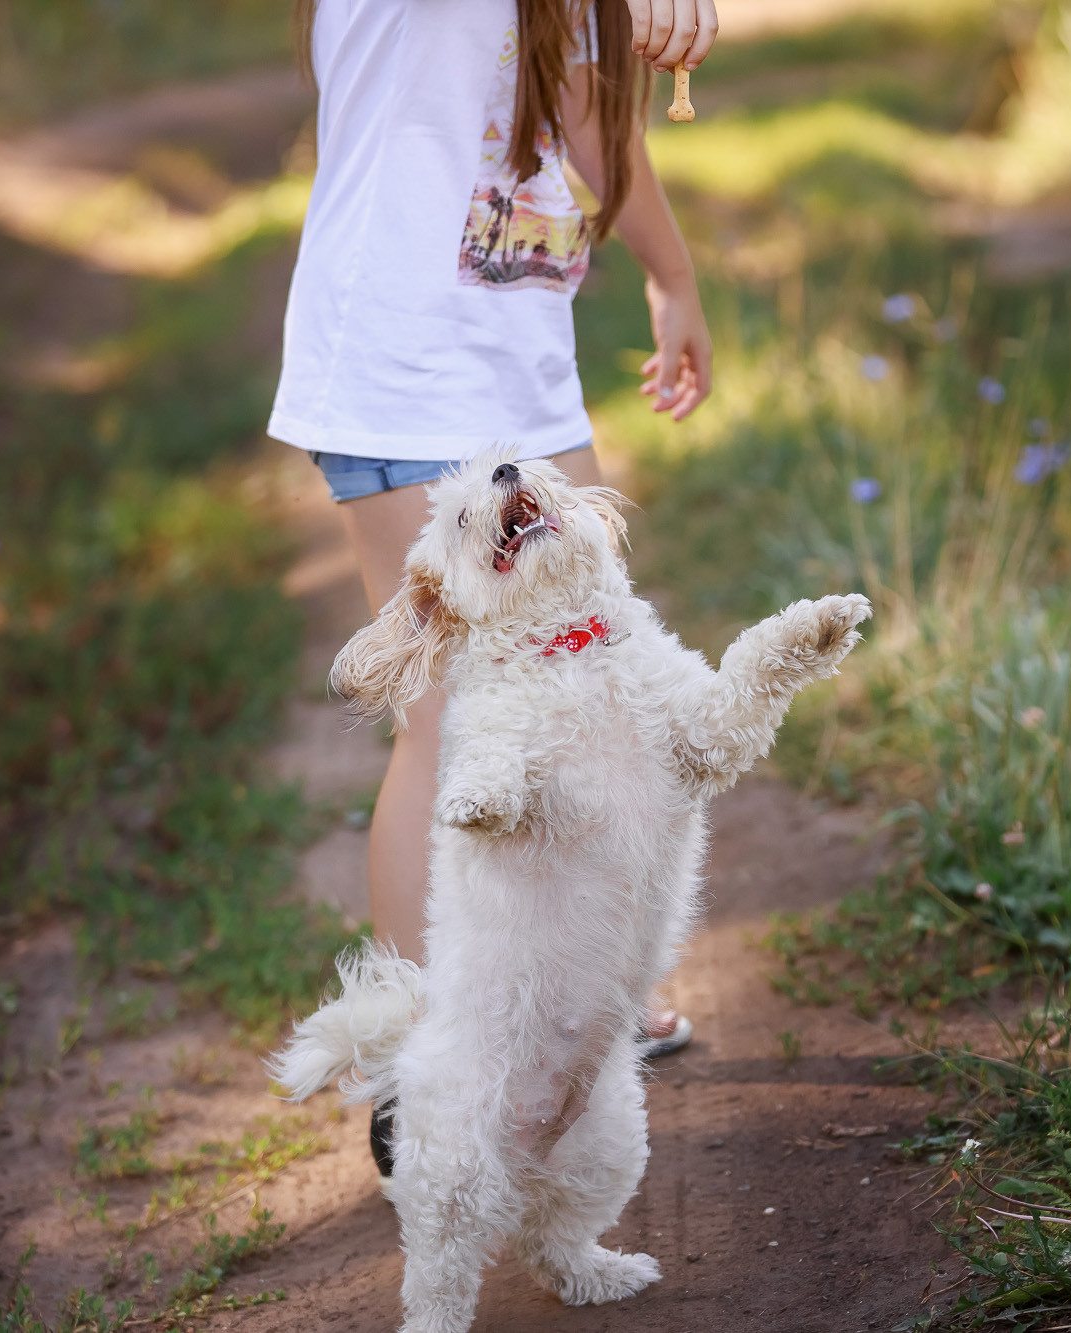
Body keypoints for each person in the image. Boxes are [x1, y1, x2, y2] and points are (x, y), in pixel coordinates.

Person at [267, 0, 720, 1171]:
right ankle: (424, 1067)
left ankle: (565, 1002)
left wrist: (671, 279)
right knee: (449, 722)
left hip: (492, 371)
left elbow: (585, 124)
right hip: (412, 375)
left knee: (580, 678)